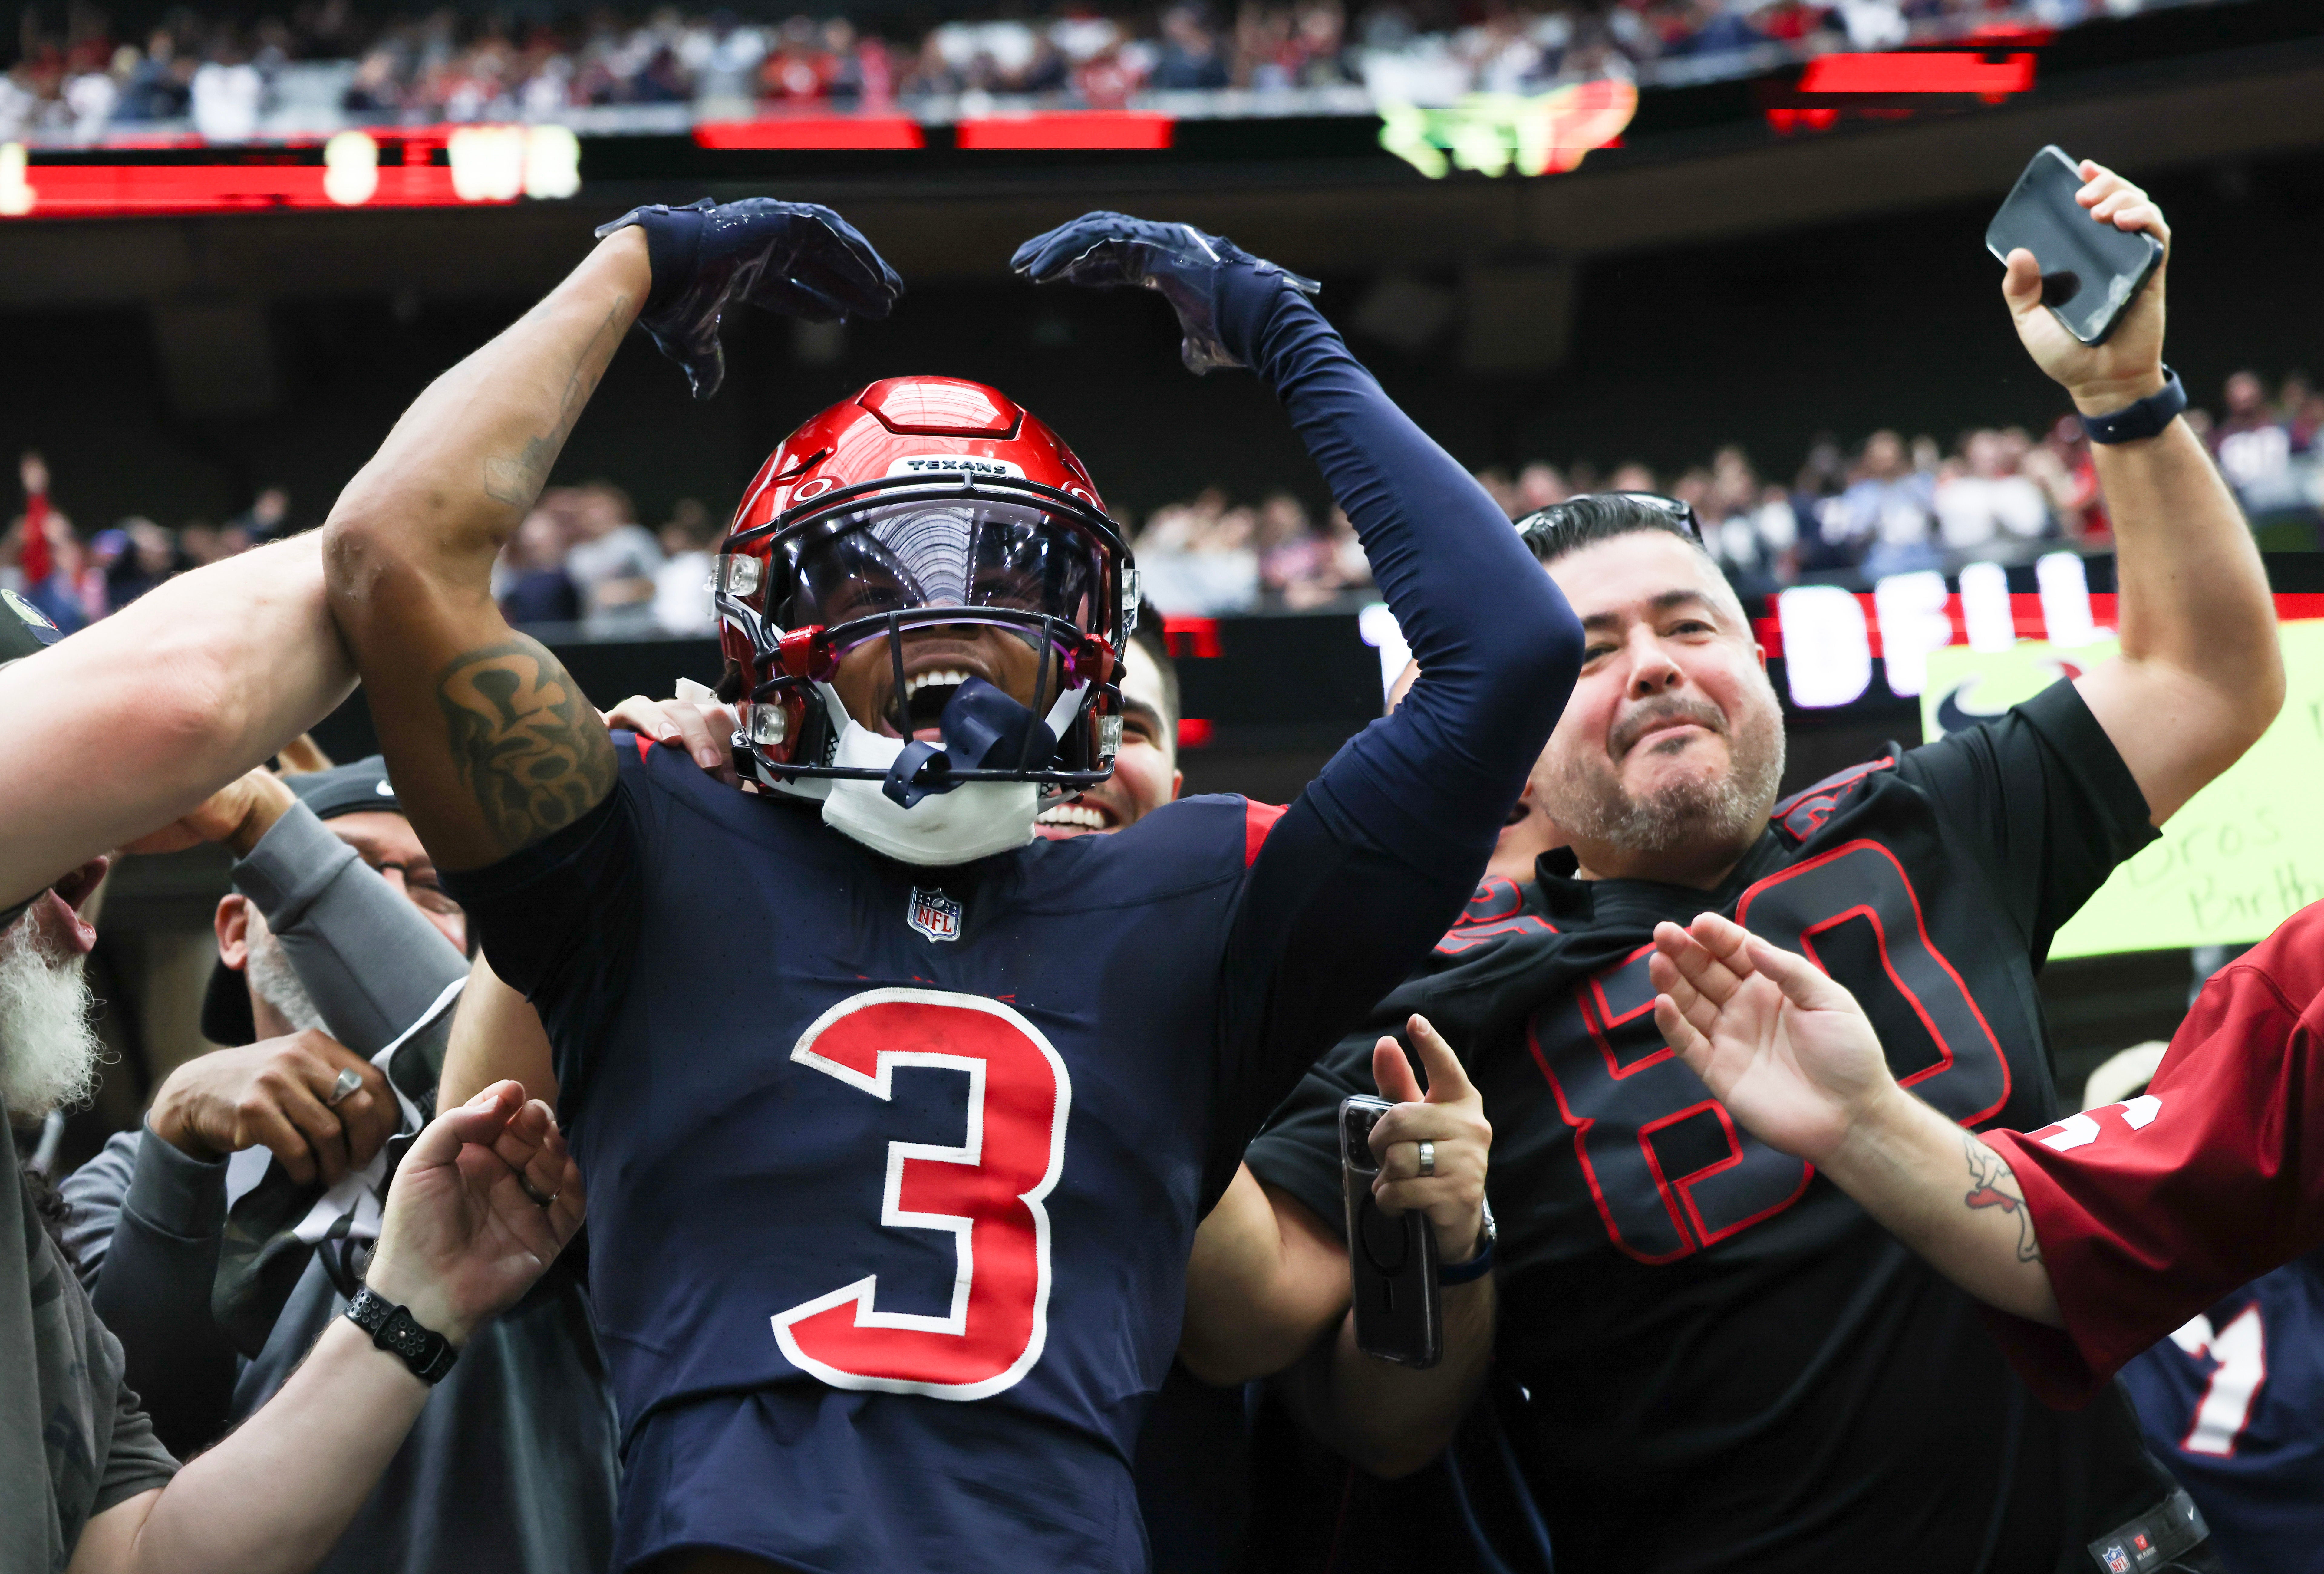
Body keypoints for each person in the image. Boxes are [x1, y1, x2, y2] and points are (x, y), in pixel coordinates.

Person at [318, 198, 1578, 1574]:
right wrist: (636, 261)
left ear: (1090, 646)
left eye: (1016, 569)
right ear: (764, 647)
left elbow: (1513, 647)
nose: (959, 612)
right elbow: (393, 552)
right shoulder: (648, 842)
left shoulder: (1198, 895)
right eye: (875, 574)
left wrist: (1283, 328)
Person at [1241, 163, 2280, 1572]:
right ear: (1498, 748)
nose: (1659, 660)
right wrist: (1447, 1249)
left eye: (1692, 623)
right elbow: (1379, 1423)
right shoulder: (1425, 1011)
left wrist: (2129, 394)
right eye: (1591, 654)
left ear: (1758, 663)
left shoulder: (1931, 818)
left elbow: (2207, 674)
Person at [1, 600, 585, 1569]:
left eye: (435, 885)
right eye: (357, 868)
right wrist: (178, 1154)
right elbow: (130, 1455)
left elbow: (474, 1083)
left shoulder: (546, 1149)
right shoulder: (115, 1175)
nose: (396, 901)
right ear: (235, 928)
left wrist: (263, 813)